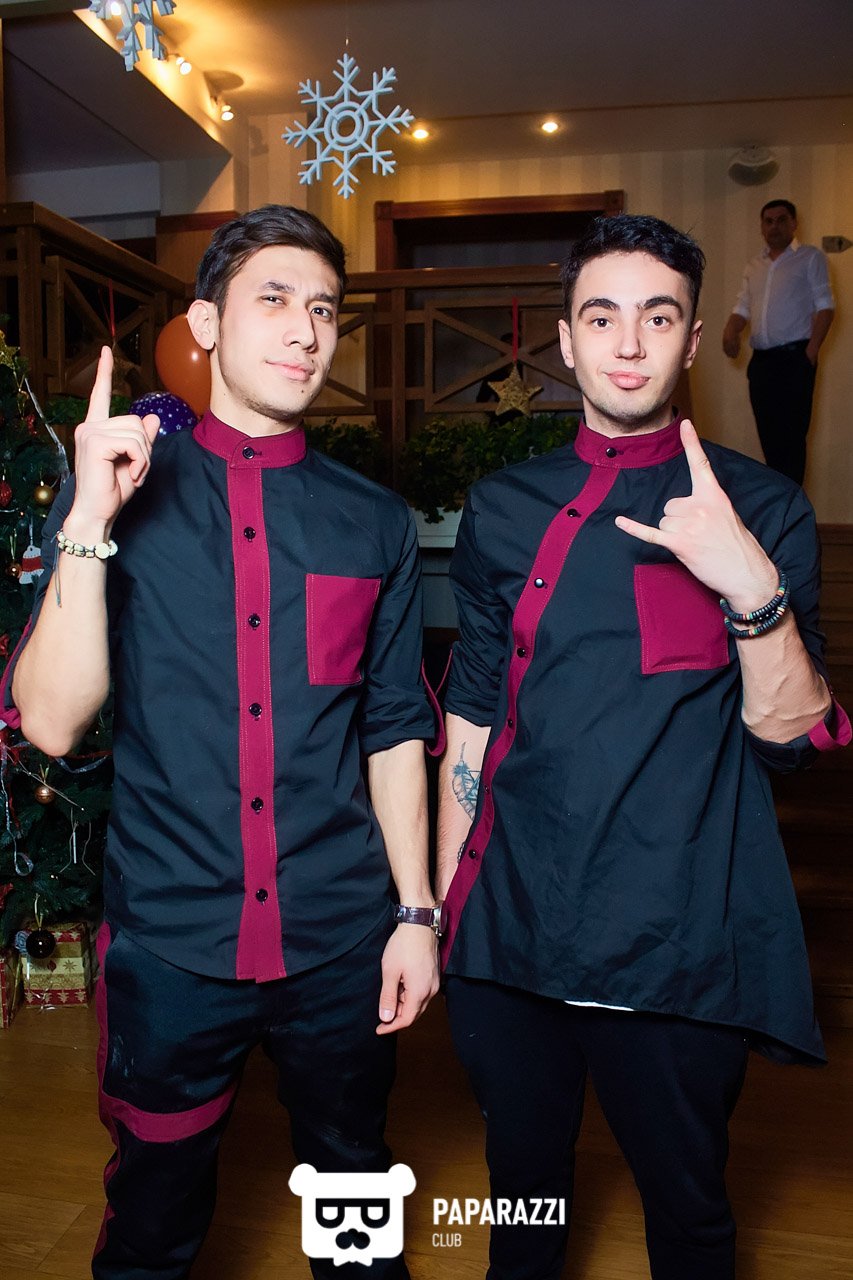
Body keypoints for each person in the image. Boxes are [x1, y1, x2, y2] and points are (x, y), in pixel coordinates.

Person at [1, 205, 442, 1280]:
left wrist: (415, 913)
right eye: (274, 299)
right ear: (205, 323)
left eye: (323, 309)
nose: (304, 329)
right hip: (172, 942)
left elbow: (393, 727)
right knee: (152, 1223)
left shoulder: (375, 523)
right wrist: (88, 519)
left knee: (354, 1205)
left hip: (339, 938)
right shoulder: (119, 491)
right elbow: (51, 720)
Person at [436, 214, 850, 1280]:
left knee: (689, 1217)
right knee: (522, 1209)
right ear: (564, 340)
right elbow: (471, 712)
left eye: (657, 318)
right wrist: (439, 906)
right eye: (601, 317)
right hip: (509, 938)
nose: (627, 343)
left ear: (692, 337)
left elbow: (792, 737)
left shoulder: (763, 508)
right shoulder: (504, 507)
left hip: (675, 946)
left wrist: (748, 586)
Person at [722, 199, 834, 486]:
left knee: (792, 441)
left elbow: (825, 307)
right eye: (768, 221)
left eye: (781, 220)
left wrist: (810, 353)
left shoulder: (810, 258)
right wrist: (730, 331)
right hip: (762, 364)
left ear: (794, 224)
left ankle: (792, 509)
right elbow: (742, 308)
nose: (774, 226)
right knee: (770, 440)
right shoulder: (754, 266)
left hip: (795, 360)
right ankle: (779, 506)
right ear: (762, 227)